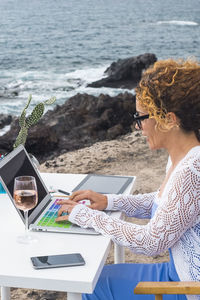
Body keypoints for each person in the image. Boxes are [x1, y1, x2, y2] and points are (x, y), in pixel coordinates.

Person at [56, 58, 200, 300]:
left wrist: (86, 216)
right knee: (97, 277)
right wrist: (109, 202)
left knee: (91, 287)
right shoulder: (183, 156)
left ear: (170, 119)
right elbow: (165, 204)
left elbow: (151, 242)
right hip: (180, 274)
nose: (137, 127)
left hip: (187, 288)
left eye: (141, 117)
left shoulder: (191, 170)